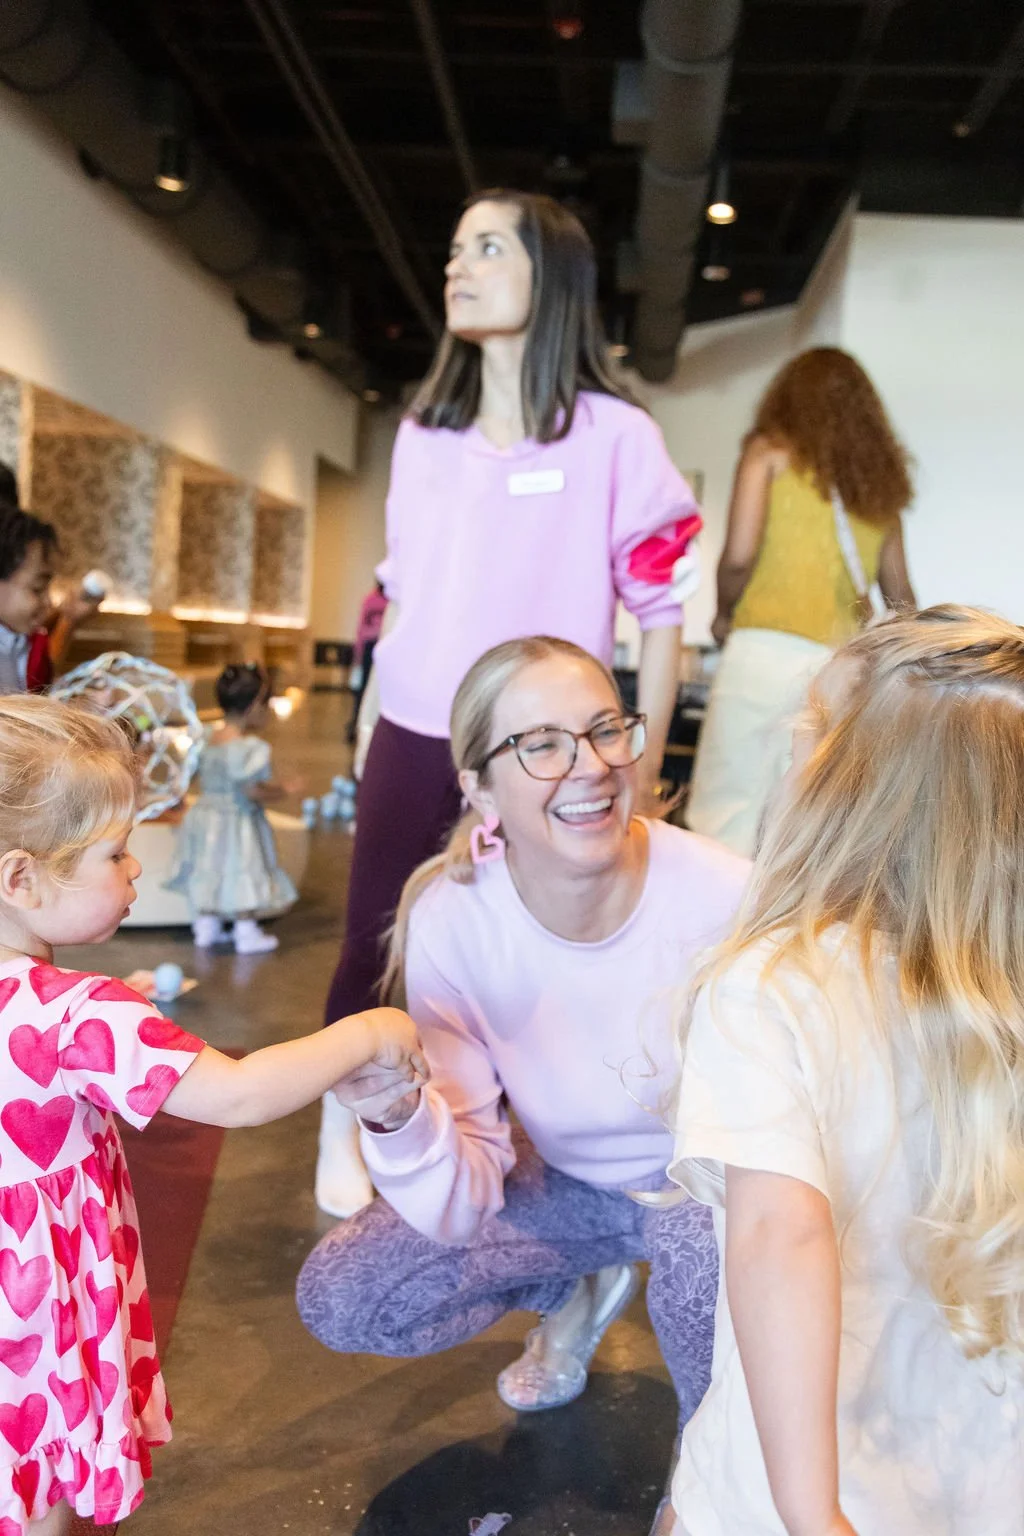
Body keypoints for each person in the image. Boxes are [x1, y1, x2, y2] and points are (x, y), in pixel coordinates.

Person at [299, 637, 748, 1534]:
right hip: (575, 1186)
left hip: (717, 1187)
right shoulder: (457, 919)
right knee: (346, 1295)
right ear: (477, 787)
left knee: (700, 1269)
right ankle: (577, 1289)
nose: (587, 767)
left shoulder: (728, 894)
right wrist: (398, 1120)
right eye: (540, 745)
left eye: (603, 731)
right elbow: (461, 1197)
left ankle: (712, 1483)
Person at [317, 188, 702, 1216]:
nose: (458, 264)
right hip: (411, 724)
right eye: (454, 248)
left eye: (488, 247)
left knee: (526, 940)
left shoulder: (616, 437)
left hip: (543, 745)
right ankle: (346, 1114)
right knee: (373, 934)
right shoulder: (423, 436)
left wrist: (641, 752)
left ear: (552, 278)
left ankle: (520, 1142)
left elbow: (658, 610)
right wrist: (366, 720)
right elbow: (402, 583)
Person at [0, 692, 426, 1535]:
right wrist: (367, 1029)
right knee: (46, 1463)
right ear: (20, 877)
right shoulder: (75, 1014)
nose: (136, 871)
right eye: (115, 853)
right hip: (39, 1294)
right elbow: (238, 1093)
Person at [668, 605, 1024, 1536]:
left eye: (811, 734)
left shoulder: (771, 985)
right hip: (981, 1479)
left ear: (852, 788)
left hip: (804, 1488)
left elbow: (779, 1238)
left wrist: (809, 1512)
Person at [686, 346, 916, 856]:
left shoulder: (768, 454)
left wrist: (724, 615)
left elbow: (739, 557)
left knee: (725, 812)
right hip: (837, 671)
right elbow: (902, 602)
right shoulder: (881, 489)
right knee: (806, 826)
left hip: (761, 652)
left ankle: (714, 934)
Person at [167, 663, 299, 954]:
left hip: (205, 815)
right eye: (265, 703)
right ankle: (245, 931)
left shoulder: (205, 737)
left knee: (209, 868)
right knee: (241, 868)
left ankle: (206, 927)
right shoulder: (249, 748)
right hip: (237, 820)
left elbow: (190, 775)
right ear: (254, 706)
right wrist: (282, 790)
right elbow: (251, 790)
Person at [345, 580, 387, 745]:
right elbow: (362, 629)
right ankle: (357, 725)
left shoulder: (392, 603)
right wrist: (359, 655)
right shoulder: (371, 600)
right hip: (370, 648)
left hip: (380, 647)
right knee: (363, 691)